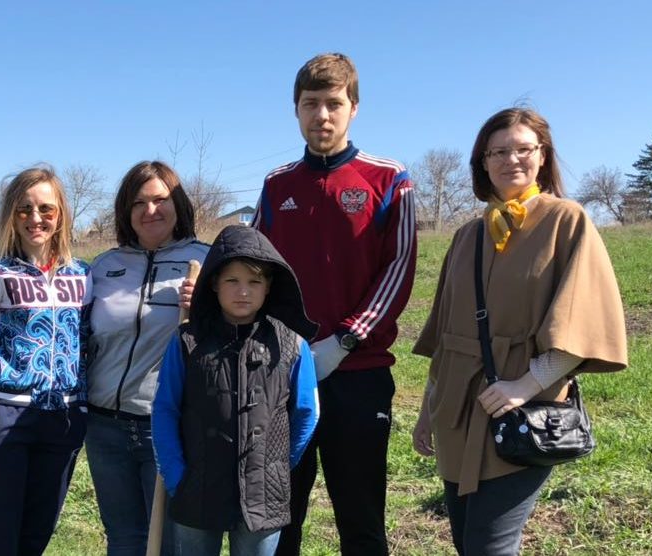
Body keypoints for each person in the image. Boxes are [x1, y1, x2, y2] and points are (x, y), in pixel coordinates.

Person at [411, 107, 627, 555]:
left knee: (490, 545)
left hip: (521, 412)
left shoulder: (567, 220)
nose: (512, 159)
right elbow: (445, 333)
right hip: (457, 409)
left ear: (543, 156)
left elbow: (583, 323)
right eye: (499, 152)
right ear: (483, 162)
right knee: (466, 540)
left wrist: (524, 386)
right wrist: (429, 407)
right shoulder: (466, 236)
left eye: (524, 149)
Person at [250, 52, 417, 555]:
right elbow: (252, 265)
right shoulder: (277, 185)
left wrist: (344, 340)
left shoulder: (389, 179)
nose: (322, 115)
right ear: (296, 110)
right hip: (284, 374)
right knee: (280, 521)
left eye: (333, 103)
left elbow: (398, 267)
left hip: (359, 375)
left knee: (361, 523)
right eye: (310, 104)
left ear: (353, 108)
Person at [152, 225, 320, 556]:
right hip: (198, 489)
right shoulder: (187, 342)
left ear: (268, 286)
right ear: (214, 284)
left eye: (254, 282)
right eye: (232, 281)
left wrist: (276, 465)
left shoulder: (291, 345)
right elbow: (164, 410)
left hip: (263, 495)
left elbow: (307, 412)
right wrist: (175, 475)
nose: (243, 291)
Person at [0, 165, 92, 555]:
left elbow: (88, 344)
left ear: (60, 214)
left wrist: (82, 405)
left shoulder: (82, 275)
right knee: (0, 535)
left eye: (46, 209)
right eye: (24, 209)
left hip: (63, 418)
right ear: (12, 216)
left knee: (38, 532)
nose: (36, 218)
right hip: (8, 415)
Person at [83, 160, 207, 556]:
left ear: (178, 204)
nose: (150, 210)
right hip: (104, 426)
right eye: (138, 202)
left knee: (169, 543)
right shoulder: (104, 267)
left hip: (166, 426)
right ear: (125, 211)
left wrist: (207, 309)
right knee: (123, 538)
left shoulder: (206, 263)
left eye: (160, 199)